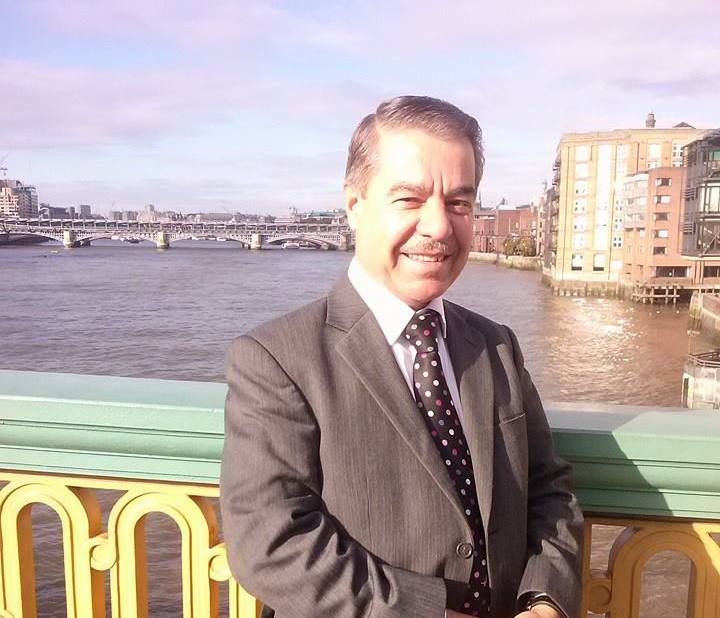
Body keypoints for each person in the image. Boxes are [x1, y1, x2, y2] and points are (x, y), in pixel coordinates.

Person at [220, 95, 583, 618]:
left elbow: (548, 489)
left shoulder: (497, 346)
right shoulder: (276, 359)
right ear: (355, 205)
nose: (439, 226)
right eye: (409, 199)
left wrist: (545, 600)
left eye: (458, 203)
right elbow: (271, 541)